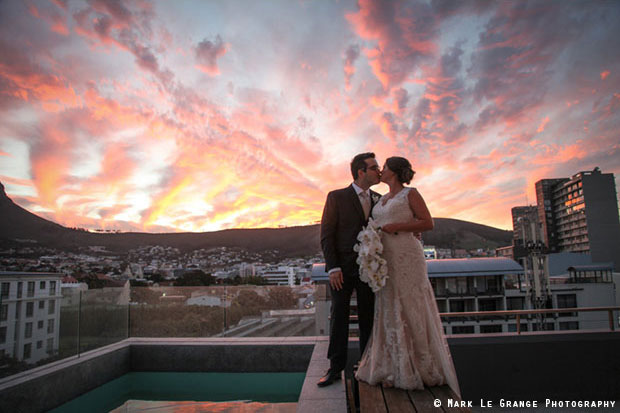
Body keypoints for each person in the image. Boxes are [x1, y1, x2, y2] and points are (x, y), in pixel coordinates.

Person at [355, 156, 461, 396]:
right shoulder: (380, 199)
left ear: (394, 170)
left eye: (384, 167)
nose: (380, 171)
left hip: (407, 256)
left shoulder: (410, 194)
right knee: (389, 305)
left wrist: (398, 227)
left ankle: (419, 366)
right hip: (386, 259)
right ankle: (392, 366)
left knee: (410, 304)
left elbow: (428, 222)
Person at [317, 152, 382, 387]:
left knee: (369, 318)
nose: (379, 171)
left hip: (370, 269)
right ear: (361, 172)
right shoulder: (336, 197)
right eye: (374, 167)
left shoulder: (379, 198)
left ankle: (367, 366)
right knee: (339, 317)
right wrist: (333, 267)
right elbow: (327, 235)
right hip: (341, 270)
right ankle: (335, 368)